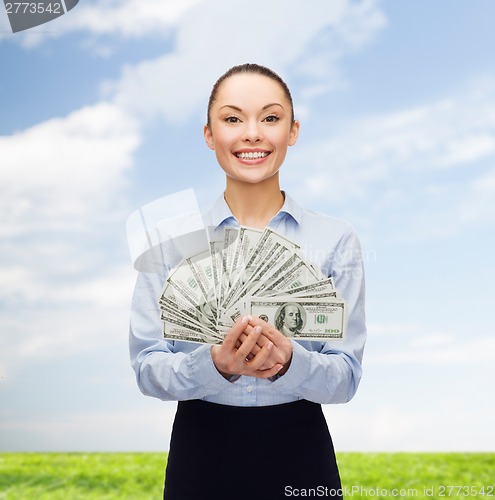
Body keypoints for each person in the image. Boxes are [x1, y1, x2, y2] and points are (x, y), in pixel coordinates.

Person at [129, 63, 367, 500]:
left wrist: (291, 362)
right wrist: (216, 365)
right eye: (233, 118)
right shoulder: (169, 242)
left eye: (271, 118)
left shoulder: (336, 239)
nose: (252, 133)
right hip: (201, 450)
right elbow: (147, 368)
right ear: (209, 134)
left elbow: (346, 376)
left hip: (301, 448)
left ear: (293, 132)